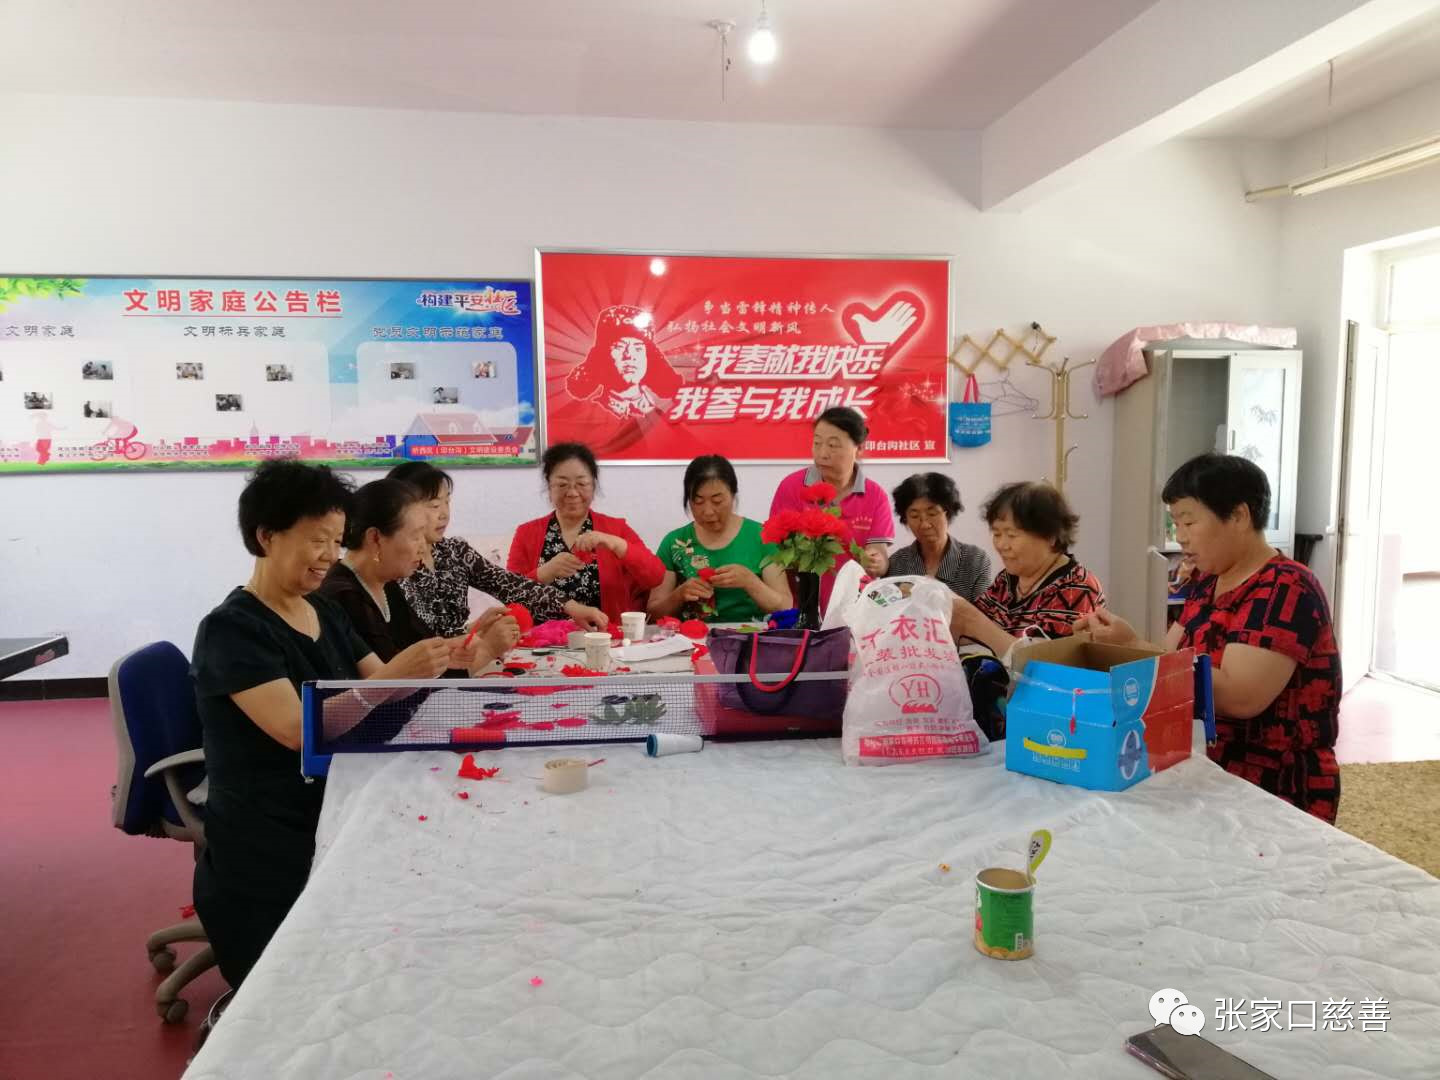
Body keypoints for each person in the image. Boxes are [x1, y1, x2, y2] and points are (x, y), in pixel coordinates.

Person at [190, 461, 456, 988]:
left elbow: (382, 684)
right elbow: (298, 730)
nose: (330, 556)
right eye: (317, 540)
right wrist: (395, 676)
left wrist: (449, 658)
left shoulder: (324, 611)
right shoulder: (232, 630)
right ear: (266, 536)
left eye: (336, 541)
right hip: (271, 842)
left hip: (339, 805)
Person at [1078, 454, 1341, 823]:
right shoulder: (1207, 581)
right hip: (1201, 765)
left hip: (1272, 784)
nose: (1180, 536)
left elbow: (1238, 696)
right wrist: (1126, 641)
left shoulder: (1286, 587)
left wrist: (1137, 650)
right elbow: (1169, 660)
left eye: (1188, 521)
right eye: (1175, 523)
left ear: (1239, 516)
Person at [318, 478, 519, 673]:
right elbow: (397, 682)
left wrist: (475, 632)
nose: (423, 548)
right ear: (375, 538)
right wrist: (487, 649)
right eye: (415, 536)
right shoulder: (344, 597)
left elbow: (423, 649)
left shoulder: (386, 583)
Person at [387, 461, 607, 636]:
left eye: (447, 502)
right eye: (435, 505)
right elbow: (414, 642)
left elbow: (510, 585)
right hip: (424, 670)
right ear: (403, 510)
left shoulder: (454, 551)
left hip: (465, 659)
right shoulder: (394, 566)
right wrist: (474, 630)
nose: (444, 514)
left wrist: (571, 607)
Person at [507, 442, 664, 625]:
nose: (573, 493)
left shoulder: (616, 529)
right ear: (549, 487)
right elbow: (509, 594)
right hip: (542, 638)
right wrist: (543, 573)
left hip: (605, 635)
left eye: (581, 484)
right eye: (562, 484)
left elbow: (656, 576)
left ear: (593, 486)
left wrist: (616, 544)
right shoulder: (526, 533)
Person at [949, 481, 1105, 654]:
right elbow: (967, 631)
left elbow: (1043, 660)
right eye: (997, 534)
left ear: (1050, 536)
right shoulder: (1007, 580)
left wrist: (973, 622)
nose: (1001, 545)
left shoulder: (1077, 587)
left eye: (1011, 535)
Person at [768, 407, 895, 608]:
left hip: (855, 610)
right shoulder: (792, 487)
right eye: (817, 443)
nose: (822, 454)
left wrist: (877, 562)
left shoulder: (875, 495)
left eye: (833, 445)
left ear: (859, 448)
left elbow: (879, 554)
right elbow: (777, 553)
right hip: (802, 608)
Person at [649, 455, 791, 623]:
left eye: (717, 501)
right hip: (691, 636)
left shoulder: (762, 536)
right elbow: (652, 614)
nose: (708, 511)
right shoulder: (675, 542)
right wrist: (679, 595)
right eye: (698, 501)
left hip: (750, 636)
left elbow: (786, 607)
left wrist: (750, 582)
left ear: (733, 495)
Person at [886, 472, 991, 601]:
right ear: (905, 519)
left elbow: (983, 612)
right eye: (914, 516)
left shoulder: (975, 560)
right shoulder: (896, 563)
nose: (924, 524)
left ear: (948, 513)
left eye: (932, 513)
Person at [564, 305, 683, 420]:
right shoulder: (589, 413)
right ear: (603, 355)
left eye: (638, 348)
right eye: (619, 347)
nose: (629, 356)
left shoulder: (661, 412)